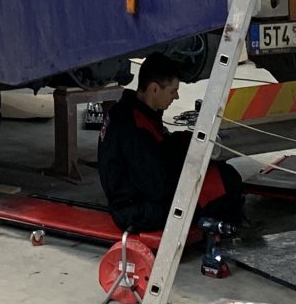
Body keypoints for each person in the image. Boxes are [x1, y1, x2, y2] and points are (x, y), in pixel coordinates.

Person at [99, 52, 244, 233]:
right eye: (172, 91)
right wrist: (192, 169)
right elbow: (157, 188)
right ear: (154, 89)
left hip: (141, 193)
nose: (176, 97)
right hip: (137, 211)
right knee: (224, 184)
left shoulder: (132, 110)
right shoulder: (134, 128)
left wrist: (187, 141)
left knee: (221, 173)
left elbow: (156, 150)